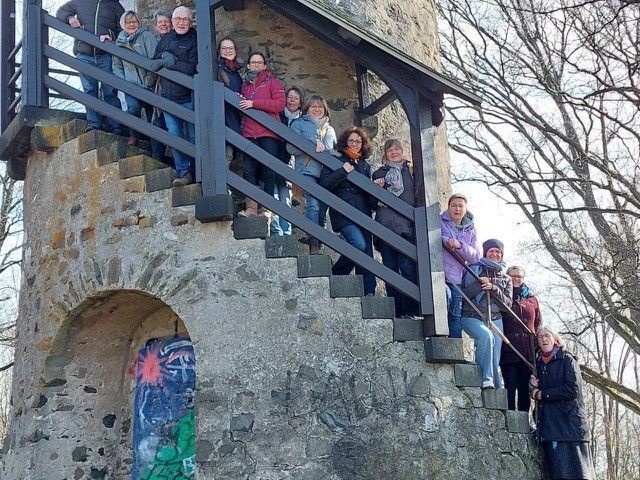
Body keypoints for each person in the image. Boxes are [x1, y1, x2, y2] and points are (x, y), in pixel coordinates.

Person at [531, 326, 595, 480]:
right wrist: (533, 387)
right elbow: (536, 392)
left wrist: (542, 394)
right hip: (551, 428)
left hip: (571, 427)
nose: (544, 339)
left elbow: (572, 389)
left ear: (555, 339)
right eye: (540, 337)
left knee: (580, 475)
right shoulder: (539, 364)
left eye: (547, 335)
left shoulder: (567, 360)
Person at [319, 127, 376, 295]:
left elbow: (369, 194)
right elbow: (325, 184)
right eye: (351, 140)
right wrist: (343, 171)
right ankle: (336, 273)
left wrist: (376, 187)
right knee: (358, 245)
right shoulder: (335, 159)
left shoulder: (365, 165)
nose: (355, 144)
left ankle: (368, 291)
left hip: (364, 214)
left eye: (358, 141)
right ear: (345, 141)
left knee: (367, 253)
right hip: (343, 213)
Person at [56, 0, 125, 135]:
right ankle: (94, 123)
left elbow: (123, 30)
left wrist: (111, 37)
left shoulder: (115, 6)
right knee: (89, 90)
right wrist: (70, 18)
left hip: (106, 55)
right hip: (84, 54)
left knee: (110, 91)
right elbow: (61, 12)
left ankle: (115, 126)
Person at [151, 6, 198, 187]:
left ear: (190, 22)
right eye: (177, 19)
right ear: (172, 21)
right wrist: (164, 57)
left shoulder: (196, 39)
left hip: (189, 97)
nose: (181, 22)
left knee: (193, 137)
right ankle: (184, 173)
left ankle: (198, 173)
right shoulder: (166, 39)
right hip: (168, 97)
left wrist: (172, 62)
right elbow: (156, 60)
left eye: (185, 19)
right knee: (175, 137)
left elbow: (192, 67)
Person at [371, 139, 419, 317]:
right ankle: (396, 312)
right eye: (390, 150)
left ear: (402, 150)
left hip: (406, 227)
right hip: (386, 226)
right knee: (390, 269)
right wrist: (376, 189)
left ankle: (411, 310)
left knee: (407, 268)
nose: (394, 152)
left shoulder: (412, 171)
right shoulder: (379, 173)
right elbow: (372, 203)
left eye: (397, 149)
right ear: (385, 154)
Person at [237, 52, 286, 218]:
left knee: (268, 171)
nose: (256, 65)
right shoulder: (244, 86)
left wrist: (254, 103)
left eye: (259, 62)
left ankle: (267, 208)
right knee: (248, 170)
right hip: (249, 133)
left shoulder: (273, 82)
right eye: (253, 62)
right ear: (248, 65)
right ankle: (251, 208)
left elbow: (279, 104)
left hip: (268, 133)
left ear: (264, 65)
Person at [461, 239, 512, 389]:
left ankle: (496, 390)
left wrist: (494, 288)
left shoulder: (506, 278)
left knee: (495, 359)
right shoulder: (473, 269)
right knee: (486, 337)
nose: (494, 254)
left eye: (498, 251)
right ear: (485, 252)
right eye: (491, 251)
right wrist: (480, 284)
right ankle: (485, 379)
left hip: (495, 318)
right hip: (472, 315)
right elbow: (465, 295)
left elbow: (507, 305)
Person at [288, 94, 337, 249]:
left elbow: (331, 150)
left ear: (325, 110)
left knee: (322, 210)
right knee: (314, 205)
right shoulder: (298, 124)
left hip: (325, 174)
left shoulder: (329, 129)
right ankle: (314, 239)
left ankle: (317, 242)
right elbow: (291, 148)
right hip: (306, 170)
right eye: (313, 106)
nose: (317, 109)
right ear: (307, 108)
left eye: (320, 106)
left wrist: (322, 146)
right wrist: (311, 144)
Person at [112, 11, 158, 147]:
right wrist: (124, 83)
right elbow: (117, 66)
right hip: (130, 84)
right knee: (133, 109)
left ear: (138, 22)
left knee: (152, 116)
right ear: (123, 24)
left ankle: (155, 147)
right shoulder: (119, 43)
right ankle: (134, 136)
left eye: (134, 21)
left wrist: (149, 81)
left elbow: (154, 59)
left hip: (148, 83)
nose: (131, 24)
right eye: (128, 22)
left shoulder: (147, 37)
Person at [501, 265, 542, 411]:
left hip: (528, 350)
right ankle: (510, 419)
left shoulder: (532, 298)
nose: (516, 279)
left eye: (519, 276)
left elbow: (538, 323)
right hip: (509, 349)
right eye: (512, 276)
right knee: (510, 387)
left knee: (525, 389)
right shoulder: (503, 295)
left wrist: (538, 345)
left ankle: (524, 421)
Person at [441, 194, 481, 338]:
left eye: (460, 206)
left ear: (465, 209)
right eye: (453, 205)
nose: (457, 209)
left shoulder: (471, 229)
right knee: (444, 302)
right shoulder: (440, 221)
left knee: (455, 316)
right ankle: (439, 339)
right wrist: (447, 240)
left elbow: (476, 256)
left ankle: (455, 346)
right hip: (439, 273)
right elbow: (433, 236)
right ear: (448, 207)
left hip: (457, 278)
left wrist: (459, 245)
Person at [270, 86, 304, 237]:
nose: (291, 101)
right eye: (289, 97)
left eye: (295, 98)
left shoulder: (303, 121)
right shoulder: (277, 115)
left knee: (285, 201)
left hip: (289, 165)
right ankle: (276, 233)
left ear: (300, 102)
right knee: (273, 198)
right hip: (272, 160)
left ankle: (286, 234)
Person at [149, 9, 172, 163]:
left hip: (175, 86)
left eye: (166, 21)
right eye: (160, 22)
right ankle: (157, 157)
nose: (163, 24)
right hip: (157, 85)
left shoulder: (176, 39)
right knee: (158, 121)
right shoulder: (152, 41)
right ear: (155, 26)